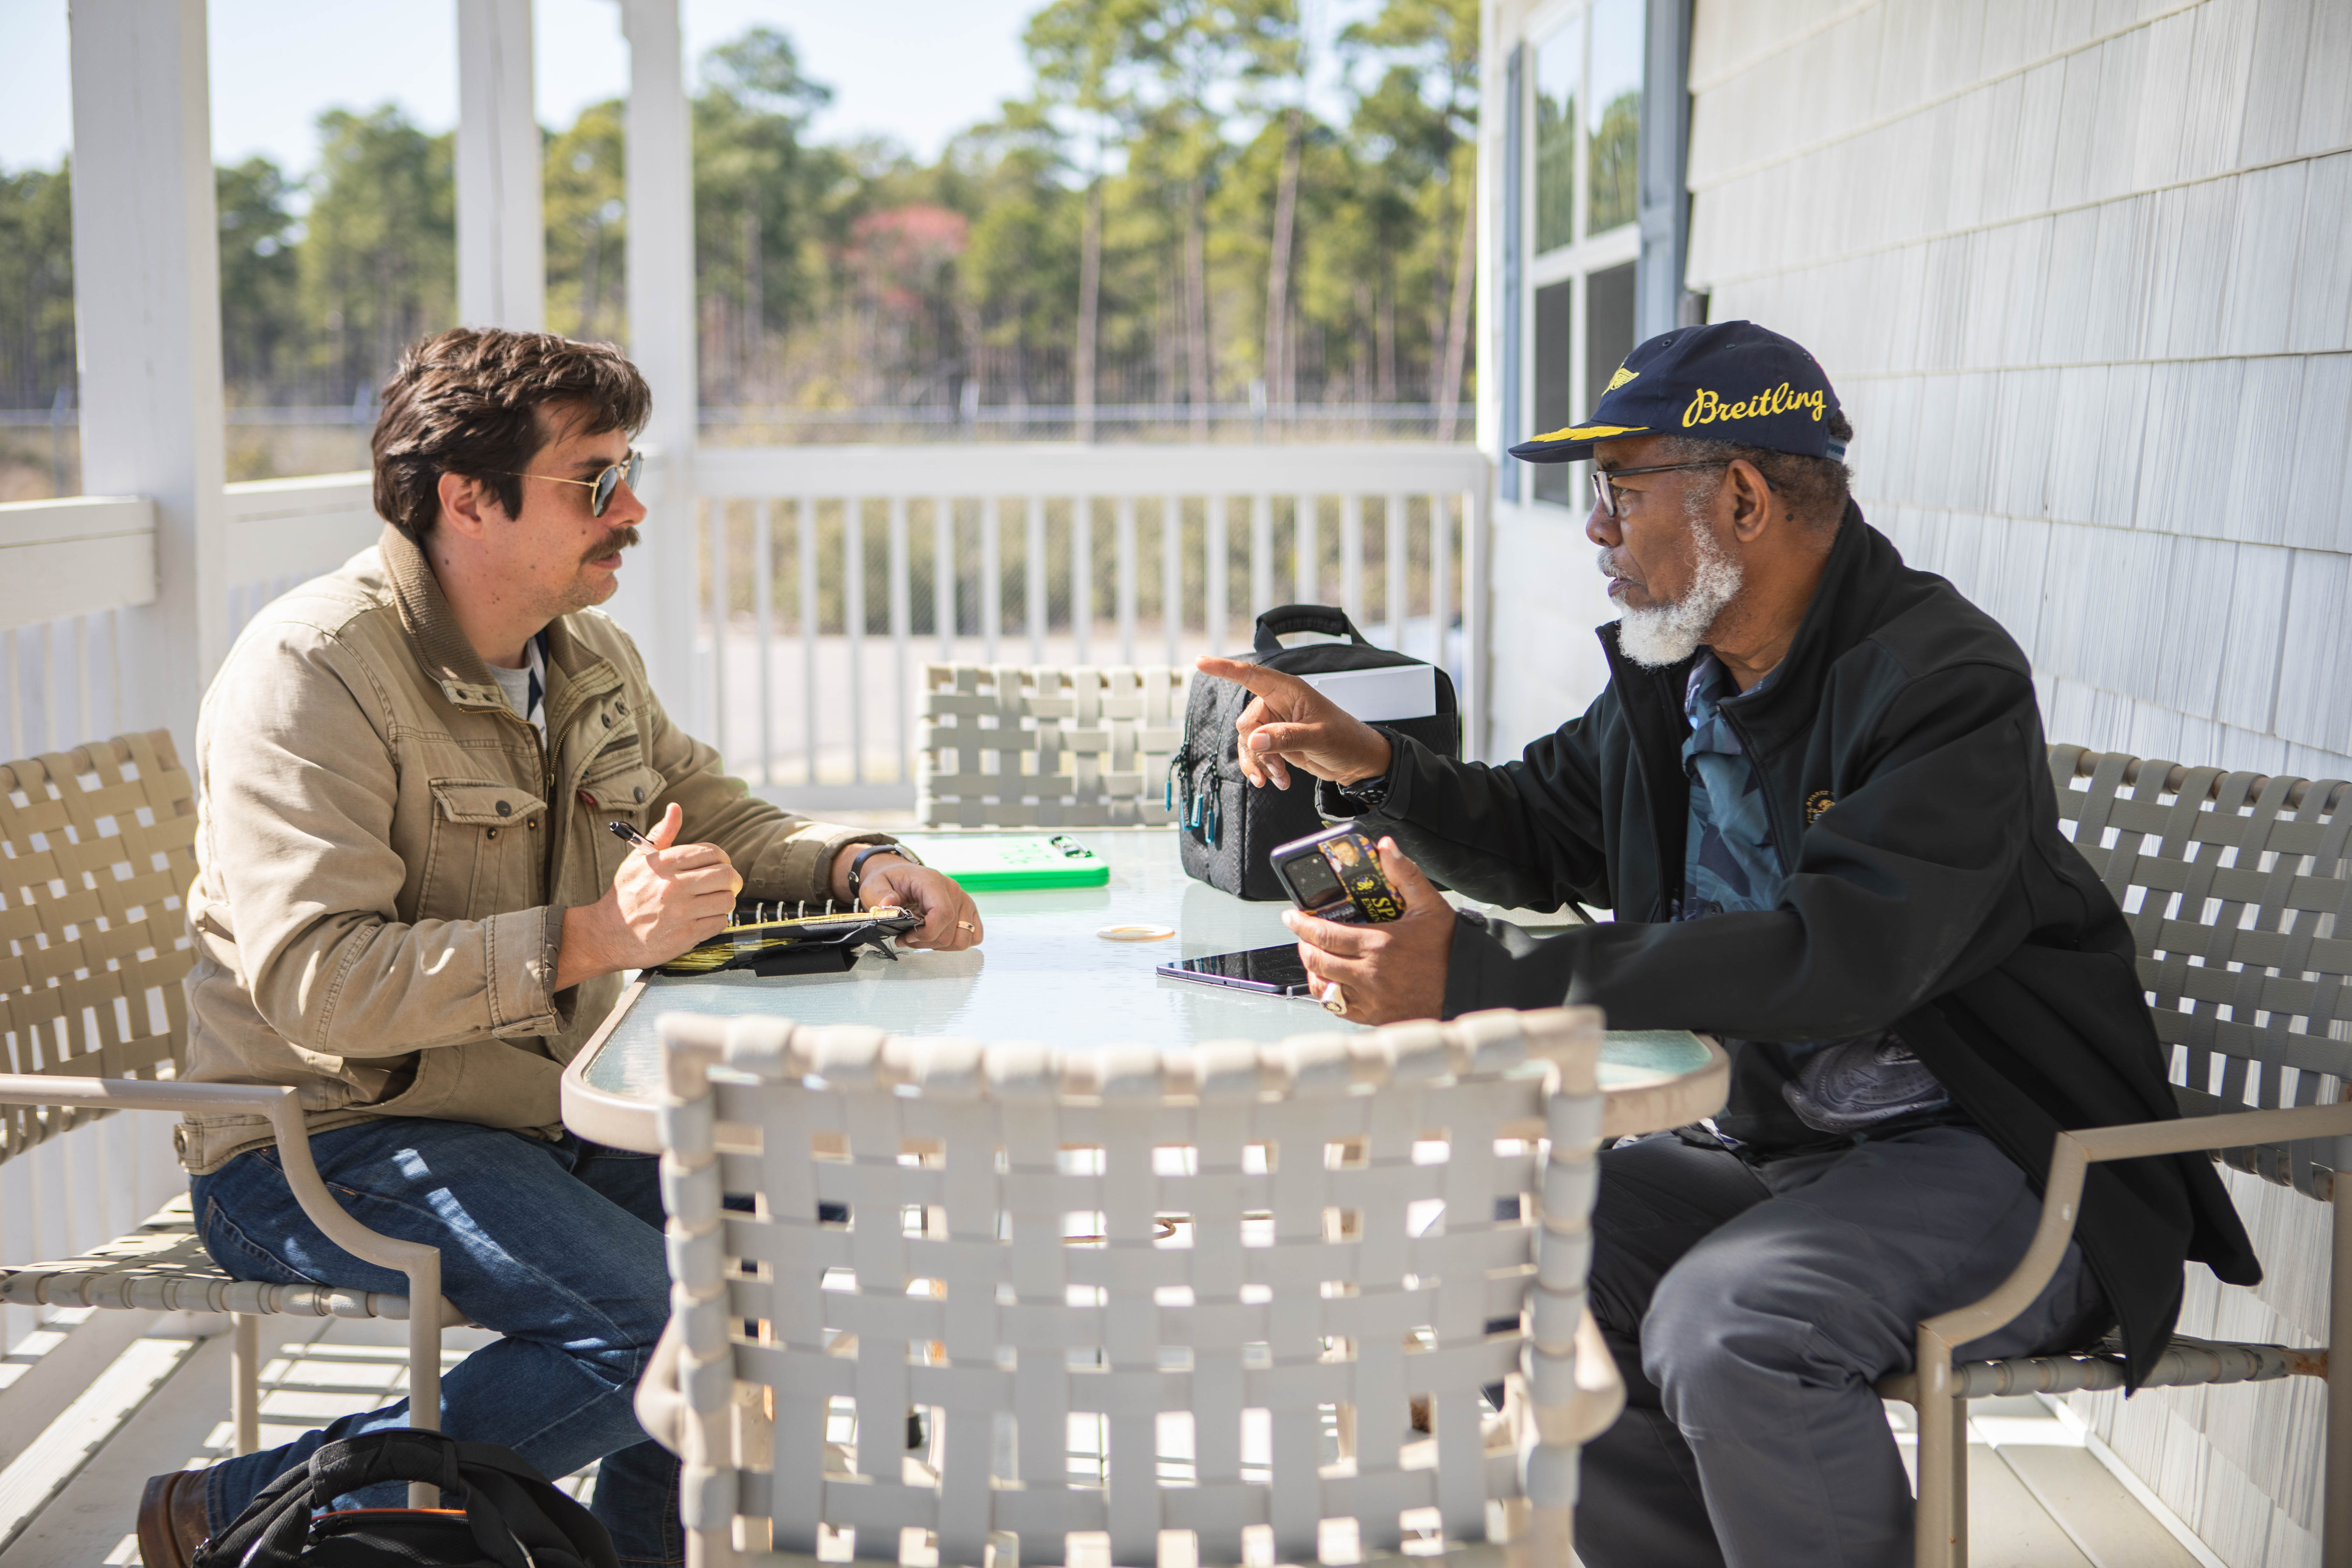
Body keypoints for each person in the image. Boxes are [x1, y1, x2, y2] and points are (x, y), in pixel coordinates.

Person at [1195, 321, 2257, 1567]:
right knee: (1498, 1247)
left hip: (2005, 1158)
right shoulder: (1681, 671)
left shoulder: (1940, 681)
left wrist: (1477, 980)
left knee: (1733, 1326)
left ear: (1742, 499)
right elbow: (1540, 828)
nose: (1596, 528)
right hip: (1785, 1152)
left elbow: (1836, 959)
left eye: (1620, 491)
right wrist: (1371, 765)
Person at [138, 327, 984, 1568]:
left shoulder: (582, 655)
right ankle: (236, 1511)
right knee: (670, 1334)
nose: (631, 505)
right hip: (318, 1139)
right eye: (594, 480)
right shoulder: (312, 671)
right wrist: (591, 937)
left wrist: (858, 862)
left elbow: (719, 810)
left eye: (625, 470)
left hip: (541, 1119)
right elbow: (320, 984)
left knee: (807, 1239)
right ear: (464, 498)